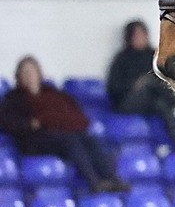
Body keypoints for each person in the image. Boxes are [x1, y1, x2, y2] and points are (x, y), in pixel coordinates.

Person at [0, 56, 128, 192]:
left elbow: (74, 113)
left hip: (62, 132)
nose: (29, 76)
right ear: (18, 76)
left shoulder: (53, 93)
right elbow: (8, 122)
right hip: (36, 140)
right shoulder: (13, 98)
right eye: (25, 72)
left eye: (32, 71)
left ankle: (112, 178)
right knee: (71, 141)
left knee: (89, 140)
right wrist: (30, 124)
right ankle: (94, 181)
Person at [107, 20, 175, 145]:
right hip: (127, 102)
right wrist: (135, 85)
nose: (140, 38)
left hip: (152, 100)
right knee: (150, 84)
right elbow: (114, 88)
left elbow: (165, 79)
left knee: (160, 101)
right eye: (136, 35)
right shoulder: (121, 59)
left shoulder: (153, 55)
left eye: (142, 34)